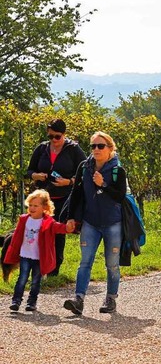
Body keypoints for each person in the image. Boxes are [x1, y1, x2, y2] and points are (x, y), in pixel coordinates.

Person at [63, 131, 128, 315]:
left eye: (101, 146)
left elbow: (120, 196)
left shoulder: (117, 171)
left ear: (110, 148)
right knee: (85, 262)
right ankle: (79, 299)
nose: (96, 150)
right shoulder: (84, 167)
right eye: (93, 146)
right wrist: (70, 217)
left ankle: (111, 298)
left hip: (113, 223)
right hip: (90, 222)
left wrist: (103, 184)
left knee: (112, 264)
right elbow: (76, 194)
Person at [26, 118, 86, 276]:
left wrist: (69, 181)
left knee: (58, 232)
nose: (54, 140)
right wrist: (36, 175)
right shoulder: (42, 149)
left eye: (57, 136)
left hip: (64, 198)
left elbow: (86, 171)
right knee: (38, 231)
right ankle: (38, 266)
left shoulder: (73, 149)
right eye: (50, 136)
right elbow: (29, 171)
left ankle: (54, 269)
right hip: (43, 199)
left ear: (64, 134)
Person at [5, 190, 75, 311]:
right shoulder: (24, 219)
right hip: (25, 255)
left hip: (39, 257)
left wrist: (68, 228)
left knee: (35, 281)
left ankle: (31, 303)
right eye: (30, 205)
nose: (32, 208)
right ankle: (16, 301)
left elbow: (59, 228)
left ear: (44, 207)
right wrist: (13, 251)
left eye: (36, 206)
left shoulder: (48, 222)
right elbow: (17, 237)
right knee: (22, 279)